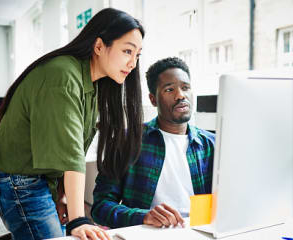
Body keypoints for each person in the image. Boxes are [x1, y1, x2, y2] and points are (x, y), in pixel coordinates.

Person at [0, 8, 144, 240]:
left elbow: (69, 150)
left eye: (138, 55)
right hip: (20, 184)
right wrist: (78, 219)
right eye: (127, 51)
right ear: (99, 46)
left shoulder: (93, 84)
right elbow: (71, 155)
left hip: (40, 181)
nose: (132, 63)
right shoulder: (62, 75)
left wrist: (63, 195)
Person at [91, 57, 215, 229]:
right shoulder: (127, 141)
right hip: (149, 232)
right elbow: (100, 206)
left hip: (199, 231)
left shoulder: (212, 145)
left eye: (185, 88)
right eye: (169, 89)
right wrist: (142, 217)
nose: (180, 95)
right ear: (153, 99)